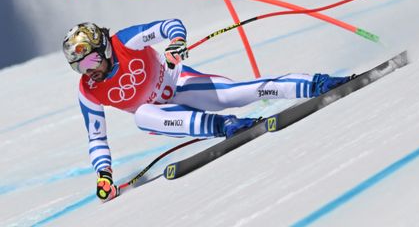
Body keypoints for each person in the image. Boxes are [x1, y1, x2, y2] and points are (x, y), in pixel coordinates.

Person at [62, 19, 352, 202]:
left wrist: (176, 43)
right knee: (142, 116)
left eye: (89, 63)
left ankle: (318, 84)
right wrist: (104, 175)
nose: (88, 73)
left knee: (238, 93)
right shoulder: (88, 90)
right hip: (161, 113)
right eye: (78, 68)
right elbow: (97, 138)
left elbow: (169, 26)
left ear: (104, 50)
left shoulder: (124, 42)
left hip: (181, 83)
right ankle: (224, 126)